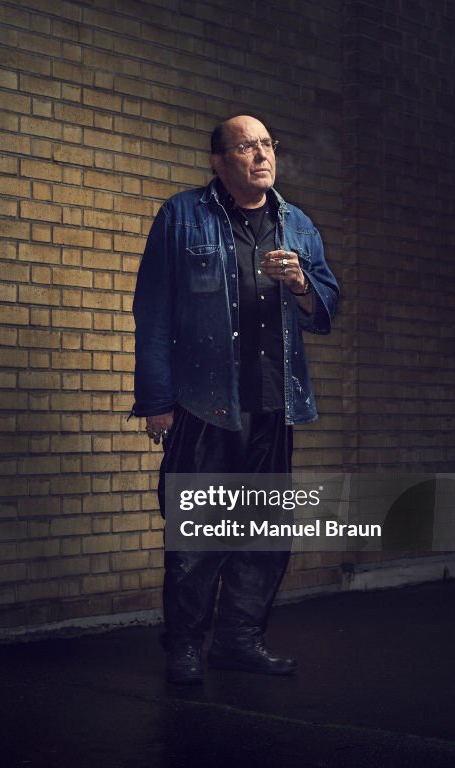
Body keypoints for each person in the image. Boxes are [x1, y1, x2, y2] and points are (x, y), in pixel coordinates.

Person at [132, 115, 339, 684]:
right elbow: (153, 312)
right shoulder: (182, 216)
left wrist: (301, 283)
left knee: (265, 532)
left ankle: (239, 641)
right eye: (247, 147)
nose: (261, 155)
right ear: (219, 161)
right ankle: (186, 645)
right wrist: (156, 400)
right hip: (204, 403)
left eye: (267, 144)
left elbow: (326, 309)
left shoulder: (298, 225)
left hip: (274, 402)